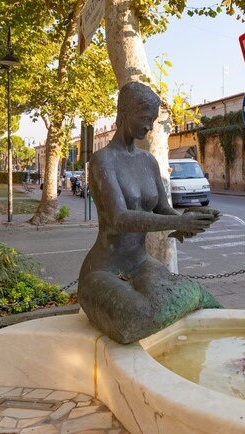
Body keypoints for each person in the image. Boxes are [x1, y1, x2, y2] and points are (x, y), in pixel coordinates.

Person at [77, 82, 222, 344]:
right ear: (124, 113)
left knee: (189, 298)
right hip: (104, 269)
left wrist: (186, 222)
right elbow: (120, 219)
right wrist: (178, 221)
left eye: (153, 120)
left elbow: (162, 209)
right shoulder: (103, 161)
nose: (149, 127)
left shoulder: (147, 161)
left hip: (141, 263)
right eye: (145, 119)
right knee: (135, 317)